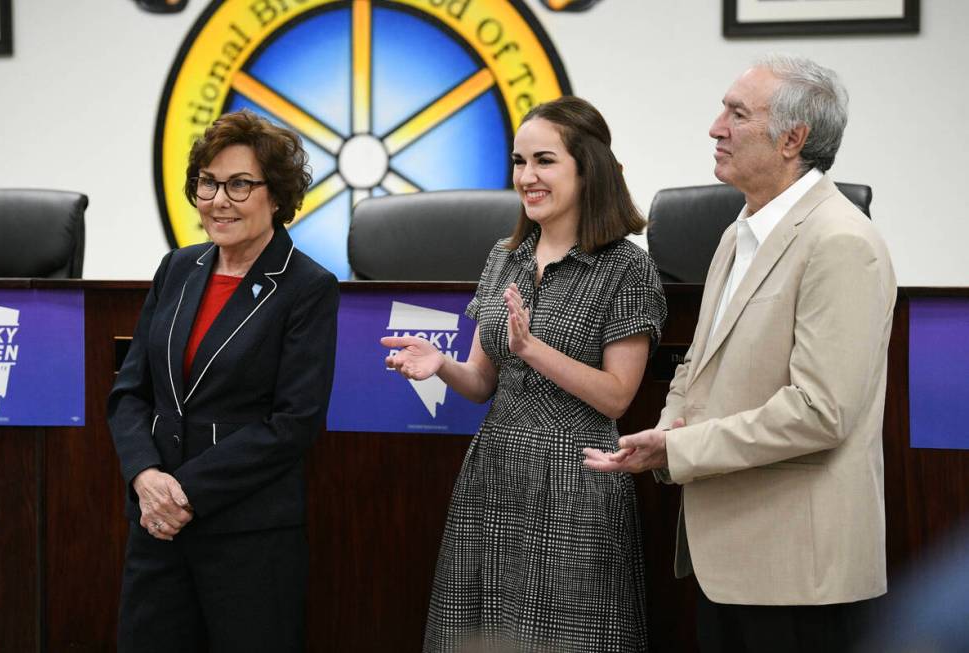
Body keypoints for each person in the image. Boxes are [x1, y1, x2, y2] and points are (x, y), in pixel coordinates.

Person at [584, 54, 897, 653]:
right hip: (725, 558)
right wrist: (664, 429)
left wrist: (678, 447)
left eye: (737, 113)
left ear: (793, 139)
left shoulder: (842, 242)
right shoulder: (737, 233)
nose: (715, 127)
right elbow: (698, 366)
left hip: (799, 573)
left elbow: (819, 411)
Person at [382, 96, 666, 652]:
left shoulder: (627, 267)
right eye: (518, 161)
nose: (527, 177)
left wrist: (534, 349)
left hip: (576, 481)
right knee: (477, 634)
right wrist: (442, 366)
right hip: (494, 472)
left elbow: (616, 399)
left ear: (589, 169)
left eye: (544, 161)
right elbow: (483, 382)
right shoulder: (504, 255)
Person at [108, 110, 339, 653]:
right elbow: (130, 394)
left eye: (240, 184)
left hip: (247, 538)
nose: (219, 200)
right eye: (208, 183)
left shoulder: (307, 287)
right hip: (156, 528)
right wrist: (145, 477)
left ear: (276, 196)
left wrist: (184, 492)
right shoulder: (176, 268)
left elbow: (294, 423)